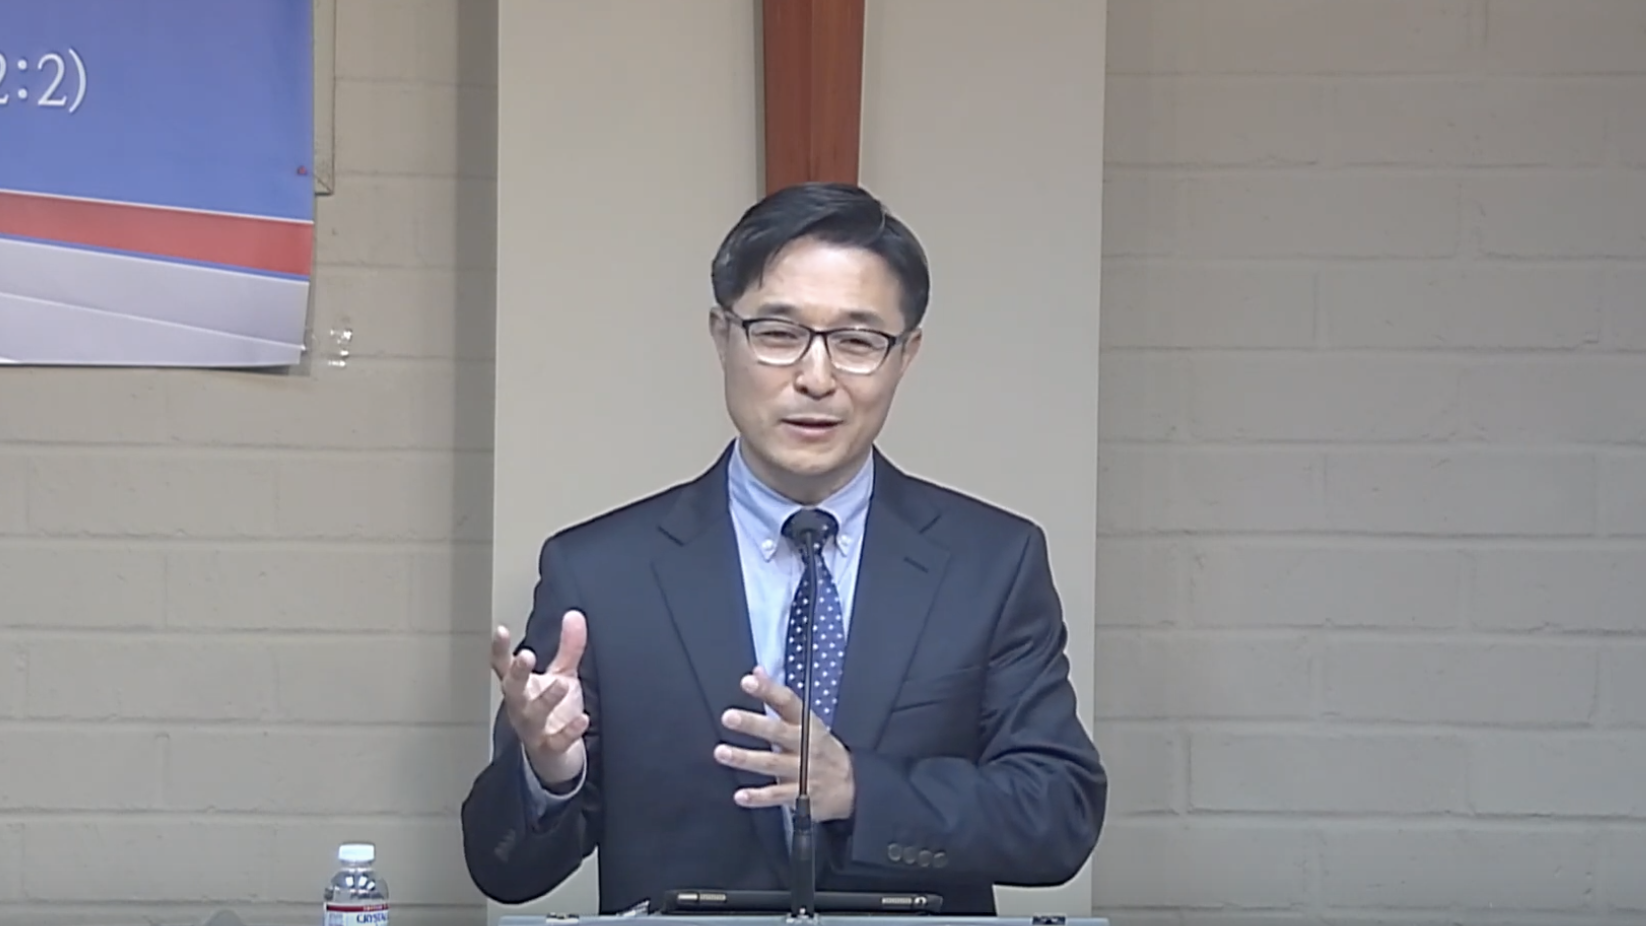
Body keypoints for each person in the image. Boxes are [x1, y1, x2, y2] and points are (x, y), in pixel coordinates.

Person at [460, 181, 1106, 915]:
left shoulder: (991, 564)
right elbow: (502, 871)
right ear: (721, 337)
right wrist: (548, 773)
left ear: (907, 356)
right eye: (777, 333)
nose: (815, 378)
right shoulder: (602, 574)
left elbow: (1059, 815)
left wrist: (860, 788)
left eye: (858, 342)